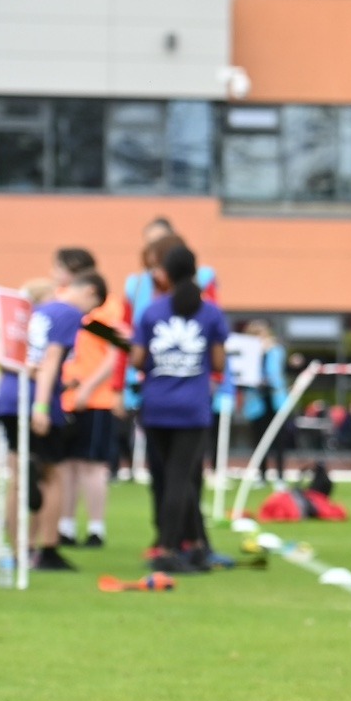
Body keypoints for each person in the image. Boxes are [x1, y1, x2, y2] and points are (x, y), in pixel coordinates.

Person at [128, 245, 227, 573]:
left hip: (156, 405)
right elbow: (217, 362)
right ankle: (172, 549)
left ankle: (193, 545)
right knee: (181, 477)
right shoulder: (210, 313)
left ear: (165, 275)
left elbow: (138, 360)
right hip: (192, 407)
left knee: (173, 477)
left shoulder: (153, 312)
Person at [3, 266, 87, 573]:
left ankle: (18, 550)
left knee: (17, 476)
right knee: (53, 474)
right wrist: (40, 406)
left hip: (9, 398)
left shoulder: (18, 320)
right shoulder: (63, 313)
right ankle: (46, 549)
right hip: (38, 401)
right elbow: (51, 359)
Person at [58, 271, 123, 549]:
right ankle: (66, 526)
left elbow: (118, 351)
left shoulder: (97, 321)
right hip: (66, 401)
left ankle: (96, 528)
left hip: (95, 402)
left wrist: (88, 386)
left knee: (92, 466)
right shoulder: (70, 318)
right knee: (67, 466)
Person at [240, 320, 292, 484]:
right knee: (259, 440)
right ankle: (261, 475)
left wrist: (266, 352)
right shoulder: (247, 354)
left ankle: (280, 476)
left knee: (279, 441)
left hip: (275, 400)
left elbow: (276, 373)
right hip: (257, 401)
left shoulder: (276, 350)